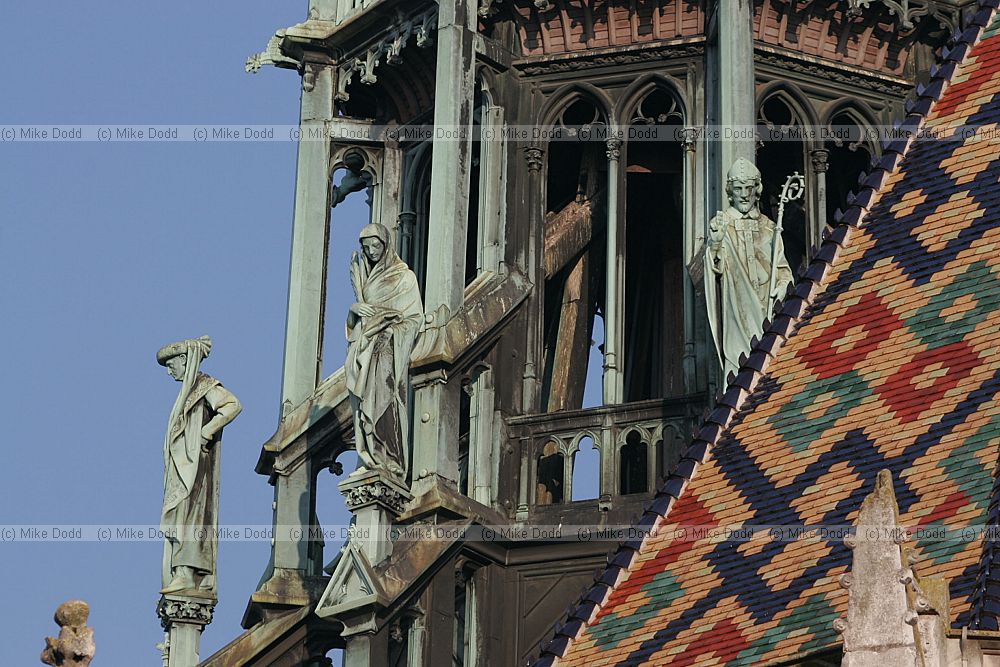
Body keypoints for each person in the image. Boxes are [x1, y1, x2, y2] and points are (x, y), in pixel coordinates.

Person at [157, 336, 241, 595]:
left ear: (184, 360)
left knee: (192, 517)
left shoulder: (205, 386)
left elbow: (232, 405)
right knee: (184, 515)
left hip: (196, 467)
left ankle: (187, 570)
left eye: (172, 365)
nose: (170, 371)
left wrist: (206, 432)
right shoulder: (187, 393)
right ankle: (182, 570)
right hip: (183, 469)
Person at [346, 223, 423, 480]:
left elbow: (413, 319)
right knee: (364, 406)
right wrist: (354, 310)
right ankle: (371, 454)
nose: (371, 252)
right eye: (366, 248)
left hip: (389, 351)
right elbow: (357, 326)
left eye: (375, 246)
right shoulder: (367, 279)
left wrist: (386, 325)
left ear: (387, 245)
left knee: (385, 403)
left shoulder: (405, 278)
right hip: (366, 351)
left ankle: (390, 457)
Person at [705, 158, 794, 379]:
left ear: (757, 189)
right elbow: (715, 268)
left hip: (766, 305)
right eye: (738, 189)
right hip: (737, 310)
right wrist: (715, 244)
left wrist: (782, 285)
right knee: (740, 368)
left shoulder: (770, 227)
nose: (744, 194)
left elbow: (782, 268)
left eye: (749, 188)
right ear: (730, 191)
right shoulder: (722, 224)